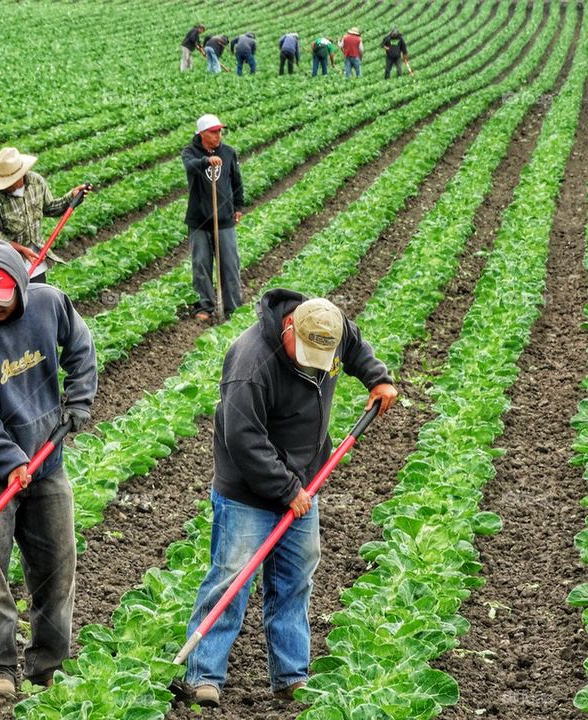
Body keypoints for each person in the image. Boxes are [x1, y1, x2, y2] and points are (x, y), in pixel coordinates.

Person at [184, 289, 398, 708]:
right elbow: (243, 439)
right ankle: (203, 674)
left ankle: (291, 675)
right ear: (289, 328)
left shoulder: (329, 326)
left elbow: (354, 344)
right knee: (231, 579)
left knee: (295, 580)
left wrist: (377, 377)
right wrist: (286, 490)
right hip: (248, 491)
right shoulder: (250, 364)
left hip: (304, 481)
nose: (312, 362)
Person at [0, 241, 98, 698]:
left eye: (2, 299)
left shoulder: (49, 304)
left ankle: (48, 663)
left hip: (46, 461)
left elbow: (81, 347)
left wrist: (79, 399)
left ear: (21, 288)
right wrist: (11, 461)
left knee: (57, 563)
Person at [0, 147, 91, 284]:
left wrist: (71, 197)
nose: (4, 186)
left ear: (20, 175)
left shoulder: (36, 182)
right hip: (8, 265)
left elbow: (50, 208)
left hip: (36, 261)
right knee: (15, 297)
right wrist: (21, 249)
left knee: (37, 294)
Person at [182, 114, 244, 322]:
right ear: (202, 134)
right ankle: (205, 306)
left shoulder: (228, 152)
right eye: (213, 132)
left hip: (224, 218)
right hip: (199, 220)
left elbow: (236, 181)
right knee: (201, 264)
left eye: (220, 132)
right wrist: (206, 161)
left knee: (230, 264)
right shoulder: (190, 152)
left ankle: (233, 307)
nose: (218, 136)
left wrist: (238, 206)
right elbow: (190, 166)